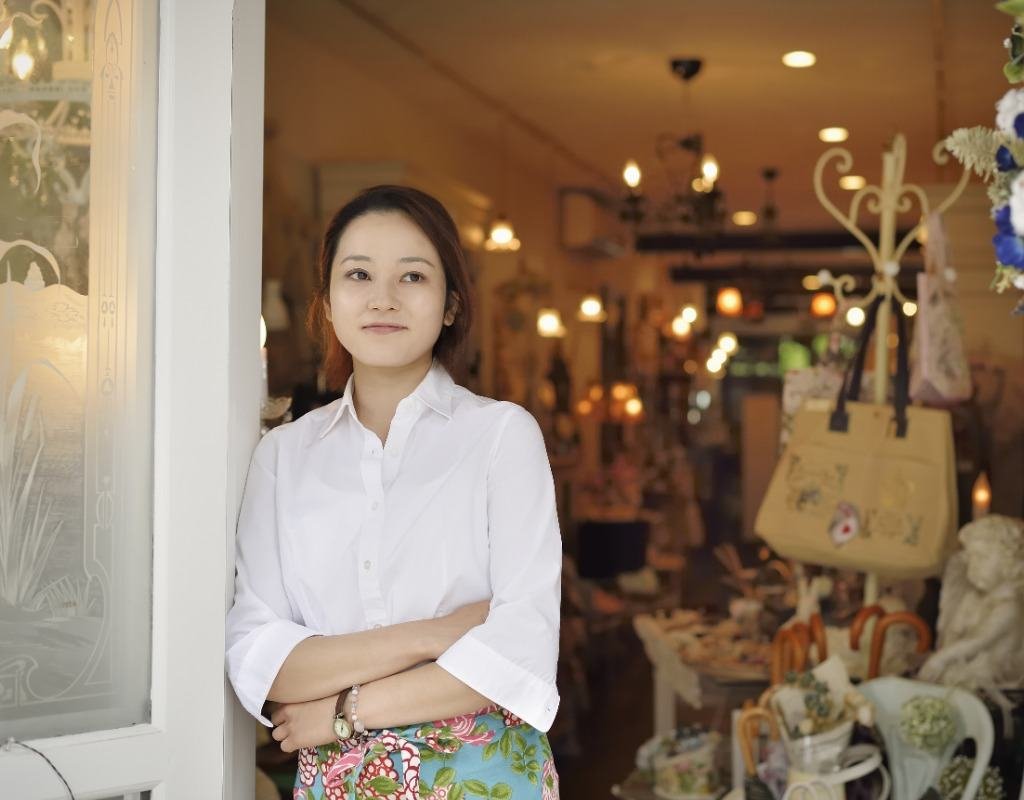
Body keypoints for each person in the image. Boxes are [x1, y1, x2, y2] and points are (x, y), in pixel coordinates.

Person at [226, 185, 562, 799]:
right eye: (358, 274)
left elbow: (522, 647)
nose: (383, 298)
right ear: (327, 303)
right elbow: (262, 659)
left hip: (484, 774)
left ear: (451, 305)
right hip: (338, 783)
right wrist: (430, 636)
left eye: (412, 276)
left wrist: (342, 711)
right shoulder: (283, 457)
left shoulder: (500, 436)